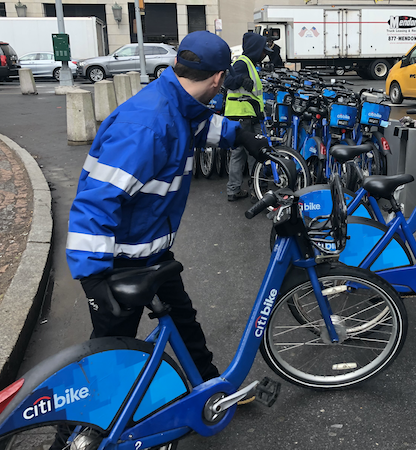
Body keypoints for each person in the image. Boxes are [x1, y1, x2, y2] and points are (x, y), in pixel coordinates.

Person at [66, 31, 269, 388]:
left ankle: (208, 388)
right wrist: (93, 277)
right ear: (219, 78)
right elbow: (96, 201)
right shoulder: (146, 126)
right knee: (112, 355)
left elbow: (199, 122)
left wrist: (241, 136)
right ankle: (79, 437)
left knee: (182, 320)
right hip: (120, 262)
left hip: (153, 250)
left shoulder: (174, 101)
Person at [224, 32, 273, 201]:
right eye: (263, 50)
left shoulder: (249, 64)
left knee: (238, 154)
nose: (265, 54)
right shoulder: (242, 64)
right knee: (255, 152)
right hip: (244, 115)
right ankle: (257, 190)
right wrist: (241, 78)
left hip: (241, 115)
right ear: (254, 49)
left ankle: (234, 190)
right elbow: (228, 82)